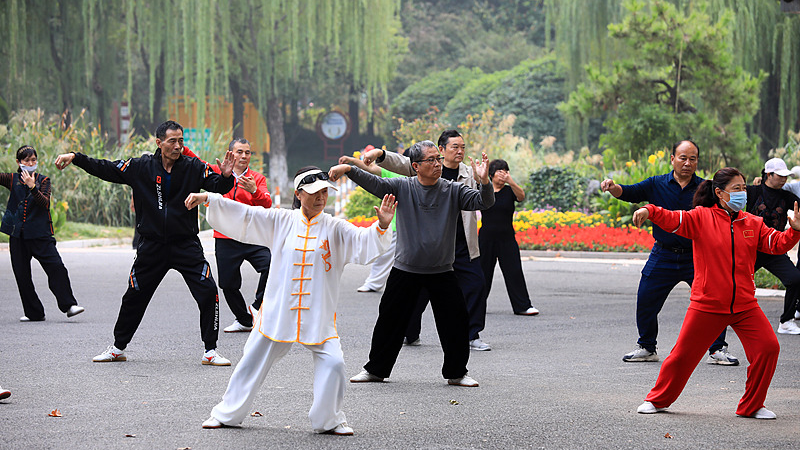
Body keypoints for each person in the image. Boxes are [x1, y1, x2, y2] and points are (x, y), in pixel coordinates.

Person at [195, 167, 395, 435]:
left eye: (325, 192)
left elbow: (363, 242)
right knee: (251, 360)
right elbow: (246, 216)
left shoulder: (335, 227)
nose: (321, 197)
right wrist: (211, 199)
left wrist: (381, 225)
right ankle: (227, 414)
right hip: (278, 311)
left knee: (334, 363)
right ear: (299, 194)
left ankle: (329, 420)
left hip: (318, 314)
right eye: (314, 193)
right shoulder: (282, 221)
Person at [54, 120, 235, 366]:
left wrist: (225, 176)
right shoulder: (141, 167)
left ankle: (210, 351)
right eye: (172, 141)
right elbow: (105, 168)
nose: (178, 146)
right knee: (134, 296)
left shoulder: (193, 167)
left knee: (208, 291)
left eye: (181, 141)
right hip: (151, 246)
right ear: (159, 143)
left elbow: (218, 186)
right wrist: (76, 157)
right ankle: (118, 348)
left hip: (186, 245)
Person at [632, 167, 799, 419]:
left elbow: (777, 244)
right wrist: (649, 210)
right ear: (720, 193)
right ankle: (657, 400)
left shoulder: (752, 223)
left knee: (768, 347)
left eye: (744, 188)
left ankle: (751, 406)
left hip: (744, 306)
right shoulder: (700, 218)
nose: (743, 193)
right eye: (736, 189)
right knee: (682, 356)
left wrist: (795, 230)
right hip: (707, 305)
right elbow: (672, 218)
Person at [329, 140, 494, 387]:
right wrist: (349, 170)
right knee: (389, 322)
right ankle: (375, 370)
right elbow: (375, 183)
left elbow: (484, 202)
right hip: (406, 269)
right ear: (415, 166)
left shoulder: (453, 190)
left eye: (438, 159)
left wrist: (485, 182)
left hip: (442, 271)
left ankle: (457, 373)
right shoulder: (402, 187)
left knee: (455, 323)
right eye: (431, 160)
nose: (437, 164)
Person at [601, 140, 738, 365]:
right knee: (646, 297)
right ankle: (647, 346)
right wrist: (613, 187)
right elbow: (628, 192)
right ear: (672, 159)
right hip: (663, 254)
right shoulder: (656, 183)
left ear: (697, 162)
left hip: (696, 254)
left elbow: (725, 209)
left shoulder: (705, 187)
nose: (687, 163)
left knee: (713, 300)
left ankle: (717, 349)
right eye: (682, 158)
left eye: (692, 159)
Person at [362, 130, 491, 351]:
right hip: (425, 249)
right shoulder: (417, 173)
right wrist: (378, 154)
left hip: (461, 244)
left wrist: (484, 180)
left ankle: (472, 334)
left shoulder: (468, 174)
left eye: (463, 147)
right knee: (416, 296)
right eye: (454, 147)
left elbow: (483, 199)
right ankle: (409, 333)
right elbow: (399, 163)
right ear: (441, 149)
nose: (460, 151)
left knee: (475, 287)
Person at [186, 139, 273, 333]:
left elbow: (267, 204)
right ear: (230, 154)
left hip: (253, 237)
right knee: (227, 283)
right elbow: (196, 160)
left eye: (248, 152)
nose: (243, 156)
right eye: (239, 152)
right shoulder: (218, 173)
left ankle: (257, 307)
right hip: (225, 237)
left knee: (271, 266)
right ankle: (244, 320)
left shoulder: (256, 179)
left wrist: (254, 191)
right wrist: (180, 145)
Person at [1, 145, 84, 322]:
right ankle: (34, 313)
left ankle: (69, 305)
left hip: (41, 235)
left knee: (56, 268)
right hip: (18, 236)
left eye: (33, 160)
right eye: (26, 160)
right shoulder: (12, 179)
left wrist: (32, 187)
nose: (30, 163)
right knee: (22, 275)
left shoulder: (43, 180)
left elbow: (44, 203)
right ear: (19, 162)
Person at [745, 157, 800, 335]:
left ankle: (786, 321)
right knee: (735, 282)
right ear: (768, 174)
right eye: (780, 176)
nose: (784, 179)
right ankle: (727, 316)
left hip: (774, 248)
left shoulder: (787, 196)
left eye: (786, 176)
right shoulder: (752, 191)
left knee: (795, 279)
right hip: (749, 249)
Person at [479, 159, 539, 316]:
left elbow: (521, 196)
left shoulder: (509, 190)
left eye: (505, 170)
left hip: (507, 238)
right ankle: (476, 305)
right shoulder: (484, 190)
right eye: (499, 171)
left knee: (514, 271)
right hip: (486, 238)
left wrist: (511, 181)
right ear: (491, 174)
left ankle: (523, 306)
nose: (503, 173)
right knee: (482, 273)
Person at [338, 151, 403, 293]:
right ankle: (374, 282)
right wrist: (351, 160)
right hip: (395, 224)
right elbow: (370, 168)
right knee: (385, 256)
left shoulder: (422, 177)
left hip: (414, 227)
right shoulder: (395, 173)